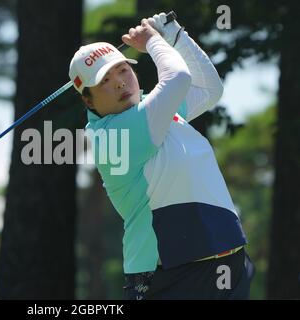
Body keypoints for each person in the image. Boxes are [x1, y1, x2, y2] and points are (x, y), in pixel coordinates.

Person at [68, 13, 254, 299]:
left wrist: (175, 34)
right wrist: (154, 41)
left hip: (228, 260)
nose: (120, 82)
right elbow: (178, 77)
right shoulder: (113, 135)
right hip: (171, 274)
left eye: (122, 70)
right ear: (87, 99)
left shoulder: (154, 111)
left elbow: (208, 89)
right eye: (105, 80)